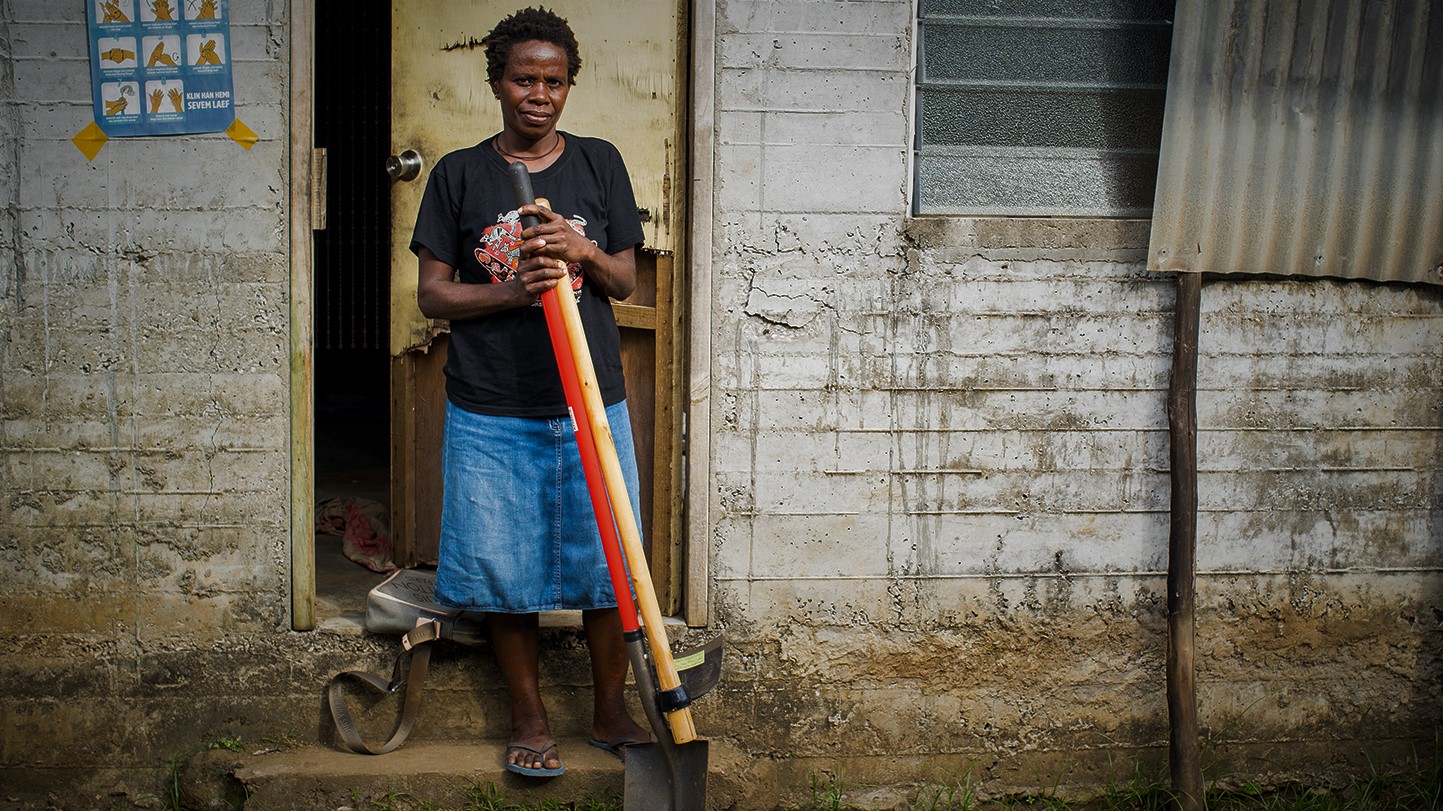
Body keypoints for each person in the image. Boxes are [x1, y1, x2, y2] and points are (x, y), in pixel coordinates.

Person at [409, 6, 652, 778]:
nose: (537, 93)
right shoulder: (458, 173)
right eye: (523, 78)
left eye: (552, 80)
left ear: (569, 87)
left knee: (610, 559)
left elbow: (625, 279)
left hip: (589, 399)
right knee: (504, 567)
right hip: (489, 404)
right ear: (498, 83)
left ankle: (611, 707)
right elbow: (433, 297)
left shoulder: (599, 162)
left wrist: (580, 249)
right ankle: (529, 714)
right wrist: (515, 291)